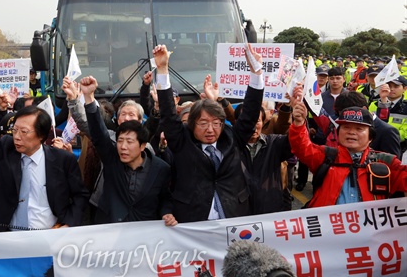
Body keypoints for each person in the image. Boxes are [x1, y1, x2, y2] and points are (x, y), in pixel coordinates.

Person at [154, 44, 263, 222]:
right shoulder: (182, 142)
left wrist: (256, 74)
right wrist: (163, 69)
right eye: (203, 123)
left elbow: (250, 114)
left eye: (216, 123)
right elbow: (168, 114)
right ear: (192, 124)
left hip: (233, 218)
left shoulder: (232, 138)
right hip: (193, 220)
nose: (210, 130)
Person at [0, 103, 89, 232]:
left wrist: (69, 224)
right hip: (7, 236)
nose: (17, 137)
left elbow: (80, 195)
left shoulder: (63, 160)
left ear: (42, 135)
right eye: (15, 130)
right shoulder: (5, 149)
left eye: (24, 132)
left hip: (49, 235)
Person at [80, 75, 176, 226]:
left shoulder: (161, 169)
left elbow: (165, 197)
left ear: (143, 145)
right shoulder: (112, 159)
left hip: (144, 234)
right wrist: (89, 97)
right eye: (120, 141)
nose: (123, 147)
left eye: (129, 142)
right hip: (109, 229)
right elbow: (99, 133)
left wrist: (167, 212)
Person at [290, 86, 407, 208]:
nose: (351, 132)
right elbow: (301, 147)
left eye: (359, 129)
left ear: (370, 137)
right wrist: (299, 123)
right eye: (346, 127)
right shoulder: (326, 156)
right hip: (328, 225)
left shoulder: (386, 162)